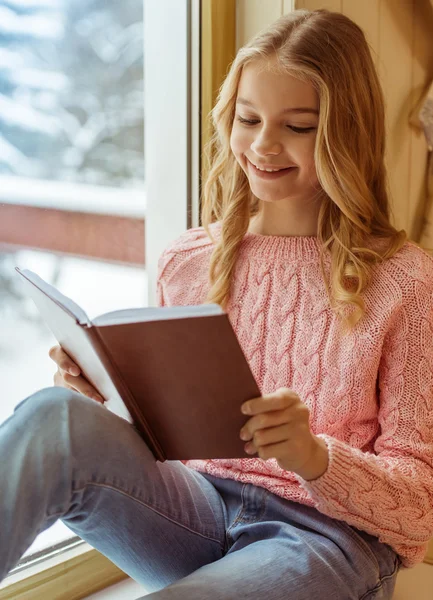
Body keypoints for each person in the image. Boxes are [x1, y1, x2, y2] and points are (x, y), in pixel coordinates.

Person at [1, 8, 432, 599]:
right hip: (194, 512)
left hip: (326, 541)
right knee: (54, 416)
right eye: (248, 118)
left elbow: (419, 509)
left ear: (345, 132)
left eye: (298, 126)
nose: (262, 144)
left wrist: (314, 456)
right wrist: (102, 396)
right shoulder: (188, 260)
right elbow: (167, 439)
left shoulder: (405, 282)